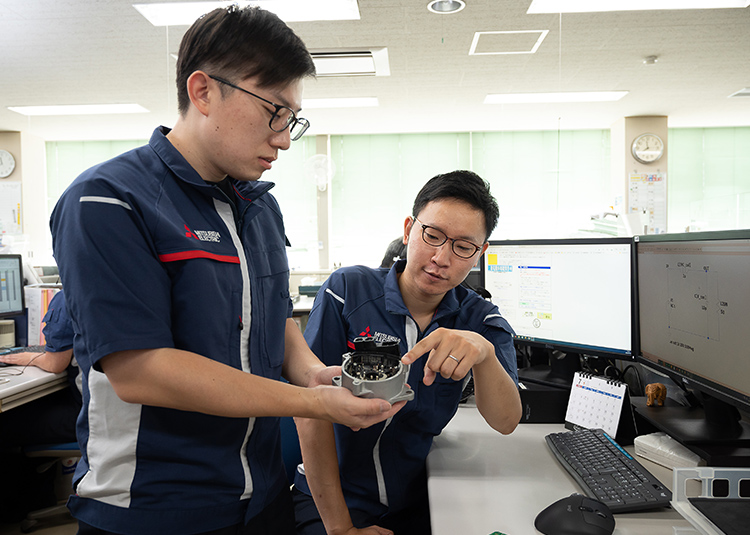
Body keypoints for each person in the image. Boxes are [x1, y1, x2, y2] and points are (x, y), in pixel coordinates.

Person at [49, 6, 402, 535]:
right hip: (154, 509)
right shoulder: (107, 200)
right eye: (273, 111)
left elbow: (278, 321)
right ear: (203, 91)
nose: (283, 138)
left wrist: (312, 372)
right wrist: (310, 402)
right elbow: (140, 370)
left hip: (262, 496)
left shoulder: (258, 208)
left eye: (292, 119)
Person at [293, 170, 523, 535]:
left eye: (463, 247)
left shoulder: (480, 318)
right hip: (332, 499)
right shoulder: (347, 290)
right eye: (432, 236)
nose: (441, 258)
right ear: (408, 230)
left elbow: (506, 421)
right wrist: (342, 529)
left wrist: (485, 353)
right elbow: (309, 412)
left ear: (480, 254)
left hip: (418, 497)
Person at [0, 290, 80, 523]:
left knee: (5, 422)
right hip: (117, 410)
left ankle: (16, 508)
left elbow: (55, 363)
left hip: (87, 415)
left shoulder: (69, 297)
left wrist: (27, 357)